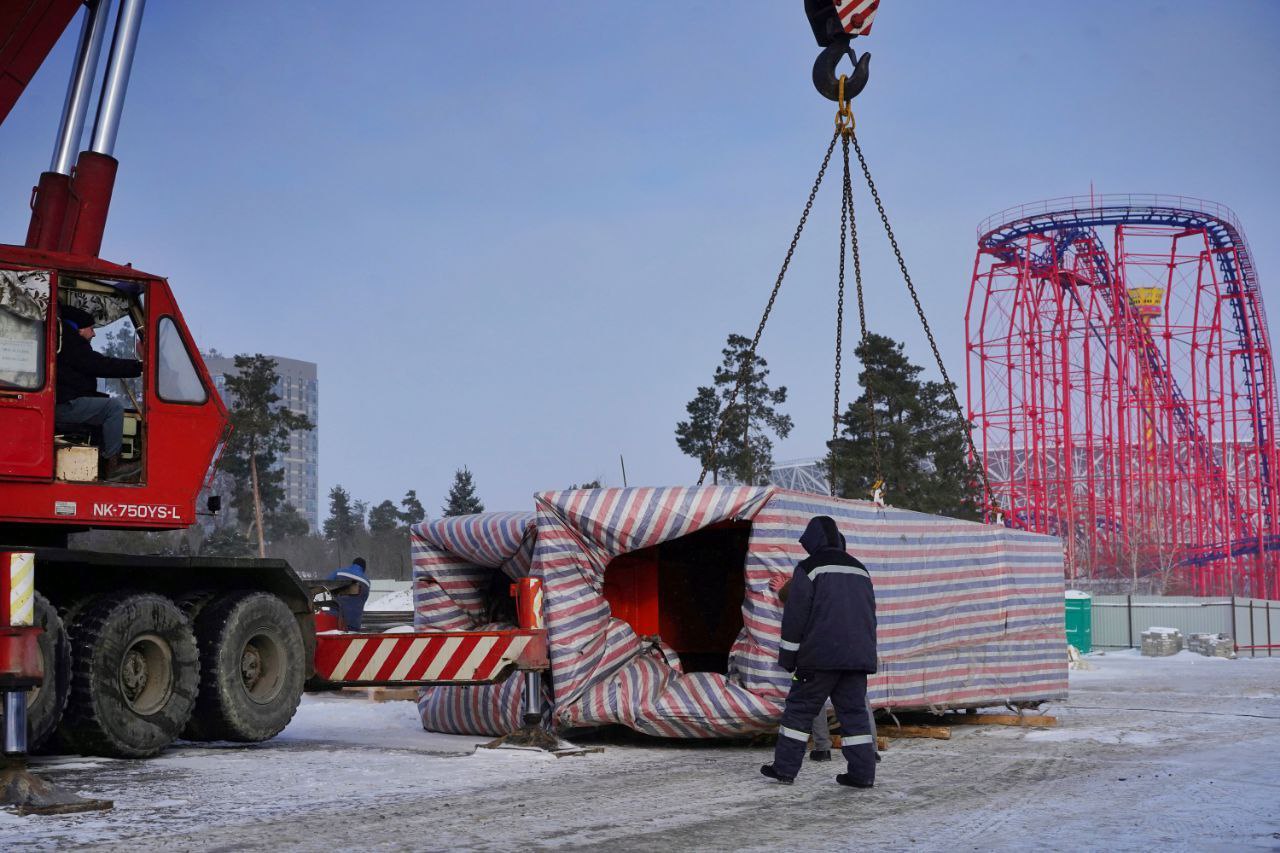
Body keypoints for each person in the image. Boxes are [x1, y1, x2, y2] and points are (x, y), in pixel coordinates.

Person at [761, 515, 877, 788]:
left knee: (799, 712)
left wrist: (788, 658)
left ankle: (784, 769)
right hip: (856, 660)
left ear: (813, 540)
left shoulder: (810, 568)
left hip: (819, 660)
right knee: (854, 716)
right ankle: (863, 775)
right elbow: (869, 616)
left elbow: (795, 617)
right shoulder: (860, 569)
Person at [54, 305, 143, 481]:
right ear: (79, 329)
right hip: (65, 406)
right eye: (91, 329)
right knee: (113, 408)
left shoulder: (67, 344)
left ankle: (102, 466)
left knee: (102, 409)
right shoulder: (72, 345)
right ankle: (113, 465)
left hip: (65, 402)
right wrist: (139, 367)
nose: (94, 334)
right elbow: (100, 364)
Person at [327, 557, 371, 631]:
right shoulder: (367, 582)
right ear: (364, 569)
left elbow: (325, 585)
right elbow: (364, 599)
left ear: (353, 564)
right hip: (354, 622)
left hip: (335, 619)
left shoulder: (339, 572)